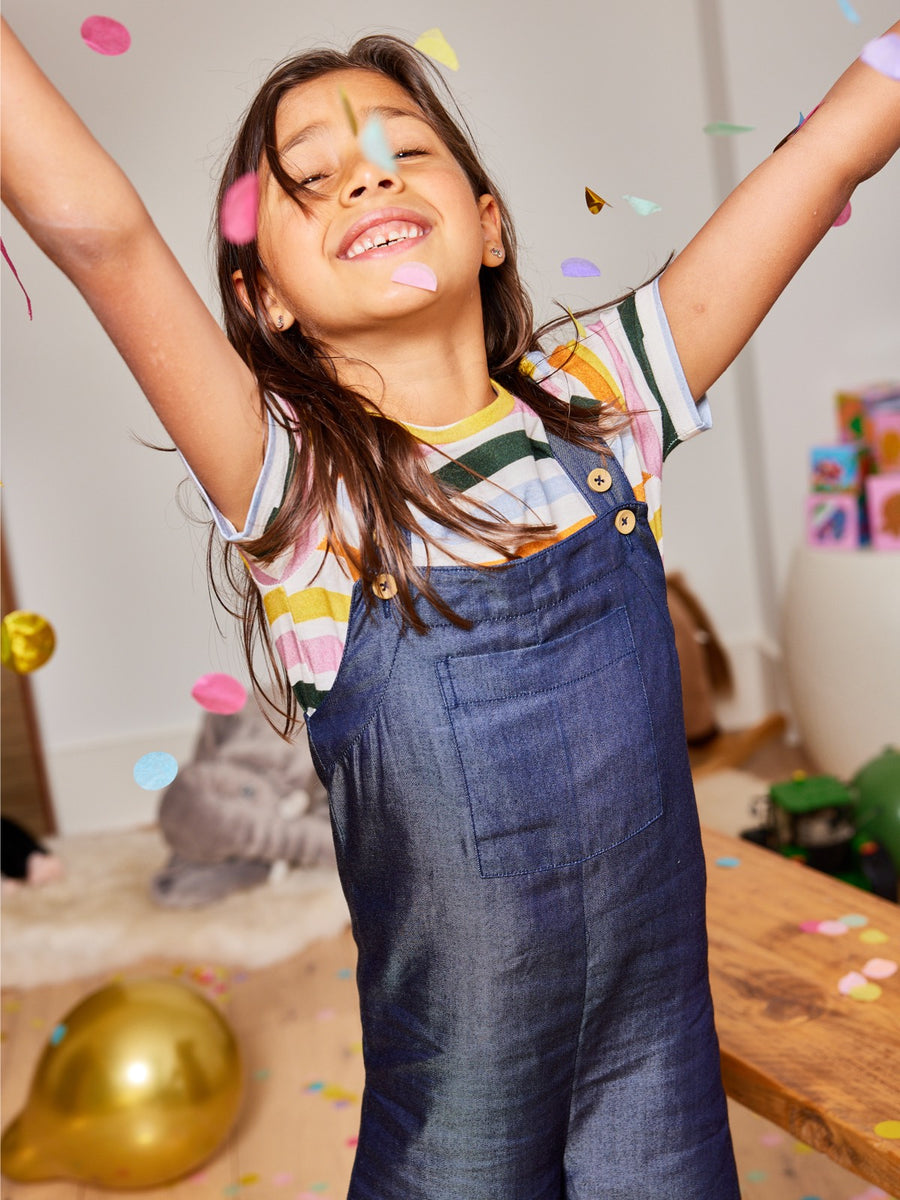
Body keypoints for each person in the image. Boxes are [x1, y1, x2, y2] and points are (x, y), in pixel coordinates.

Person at [2, 17, 898, 1196]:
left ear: (488, 224)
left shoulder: (606, 401)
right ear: (262, 297)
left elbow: (829, 150)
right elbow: (98, 231)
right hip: (457, 1129)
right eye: (309, 179)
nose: (367, 173)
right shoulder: (299, 494)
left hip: (657, 1076)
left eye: (405, 151)